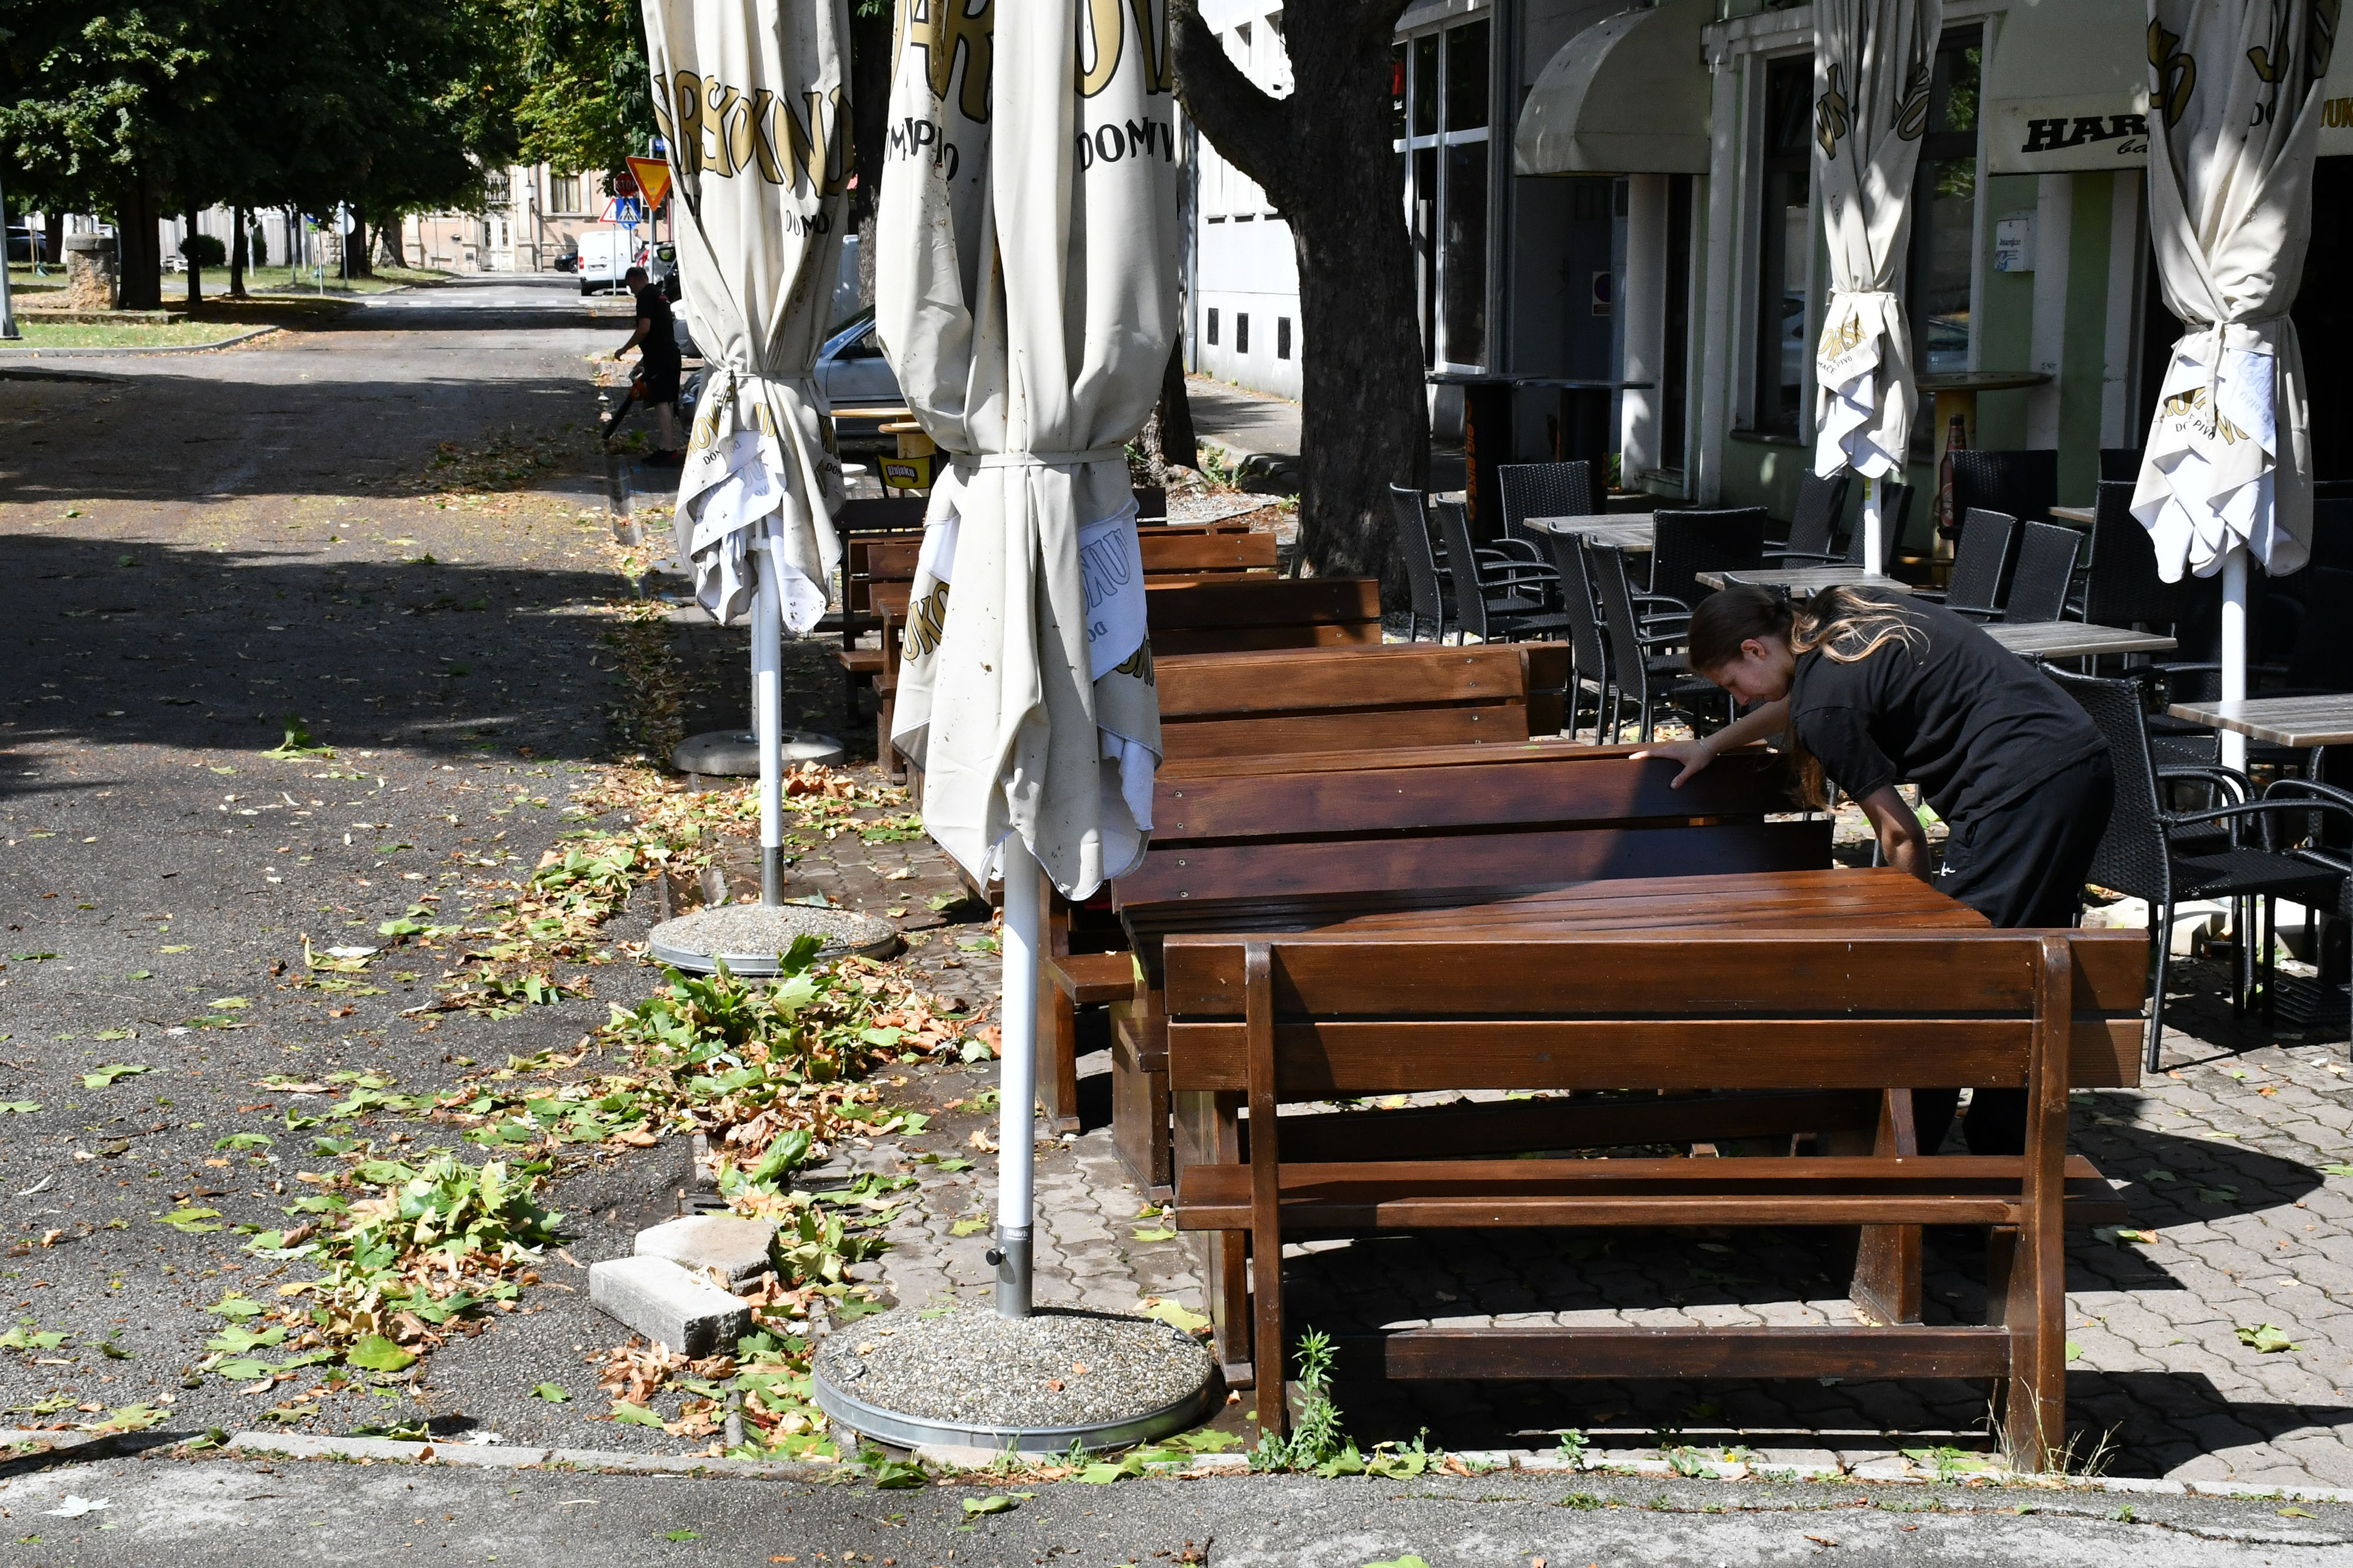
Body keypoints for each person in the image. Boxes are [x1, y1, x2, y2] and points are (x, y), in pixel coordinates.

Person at [1636, 583, 2115, 1155]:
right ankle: (2002, 1145)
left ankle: (1904, 1152)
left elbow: (1901, 833)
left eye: (1733, 685)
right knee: (2024, 965)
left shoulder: (1824, 706)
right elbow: (1807, 698)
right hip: (2075, 759)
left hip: (2021, 792)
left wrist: (1911, 937)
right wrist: (1712, 744)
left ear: (1754, 649)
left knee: (1954, 980)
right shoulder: (1839, 614)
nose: (1740, 701)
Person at [609, 265, 684, 465]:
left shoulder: (645, 297)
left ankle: (668, 450)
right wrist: (643, 361)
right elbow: (662, 332)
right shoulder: (660, 295)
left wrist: (624, 349)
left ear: (635, 280)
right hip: (669, 355)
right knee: (665, 401)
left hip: (661, 358)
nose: (632, 292)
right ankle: (665, 447)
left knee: (661, 401)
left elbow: (645, 329)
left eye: (630, 286)